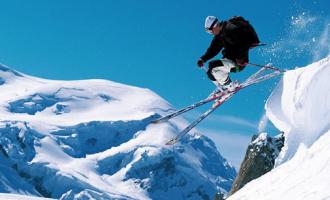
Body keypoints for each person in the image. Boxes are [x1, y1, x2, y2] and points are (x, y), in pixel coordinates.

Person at [197, 16, 260, 91]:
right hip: (229, 61)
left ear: (215, 26)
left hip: (239, 64)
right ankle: (223, 86)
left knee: (214, 66)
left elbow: (244, 42)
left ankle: (229, 85)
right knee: (211, 73)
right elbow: (213, 49)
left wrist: (241, 58)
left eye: (210, 31)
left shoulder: (231, 29)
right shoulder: (220, 36)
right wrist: (203, 59)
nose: (211, 33)